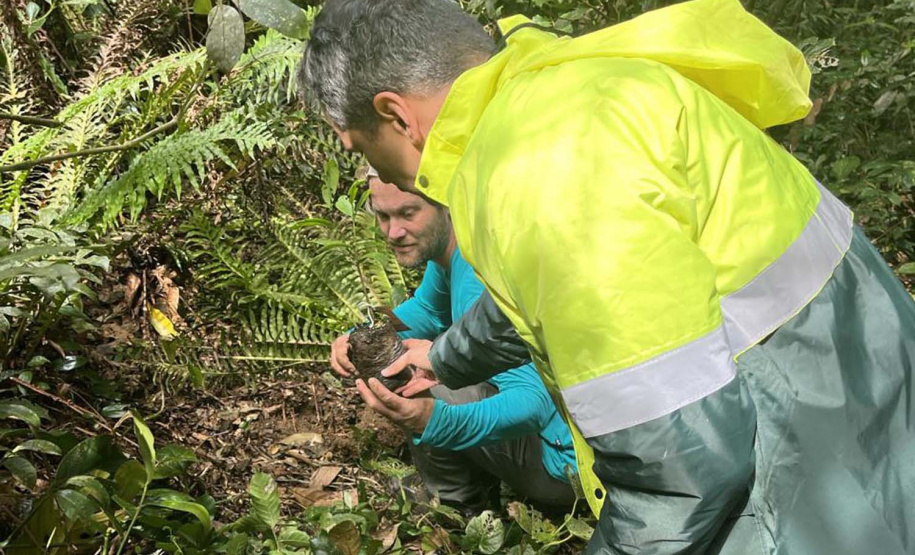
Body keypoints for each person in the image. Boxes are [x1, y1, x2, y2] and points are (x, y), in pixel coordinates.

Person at [300, 0, 915, 553]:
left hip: (802, 482)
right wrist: (447, 358)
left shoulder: (541, 173)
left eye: (360, 147)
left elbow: (680, 471)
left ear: (396, 115)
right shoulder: (566, 98)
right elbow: (557, 291)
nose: (371, 167)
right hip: (862, 400)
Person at [330, 169, 578, 514]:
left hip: (566, 470)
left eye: (408, 213)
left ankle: (453, 508)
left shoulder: (479, 276)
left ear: (445, 203)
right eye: (383, 215)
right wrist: (362, 337)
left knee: (411, 377)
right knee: (408, 355)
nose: (393, 232)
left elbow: (532, 403)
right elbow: (428, 310)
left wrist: (435, 421)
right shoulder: (456, 247)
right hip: (576, 442)